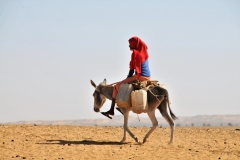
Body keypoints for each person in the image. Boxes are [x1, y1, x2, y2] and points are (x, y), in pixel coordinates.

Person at [101, 36, 151, 119]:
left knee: (117, 86)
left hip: (141, 76)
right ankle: (116, 108)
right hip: (142, 75)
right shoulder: (138, 53)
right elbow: (132, 69)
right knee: (119, 85)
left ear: (135, 44)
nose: (129, 46)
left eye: (130, 44)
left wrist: (126, 80)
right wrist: (126, 80)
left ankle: (112, 110)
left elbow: (137, 72)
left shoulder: (137, 54)